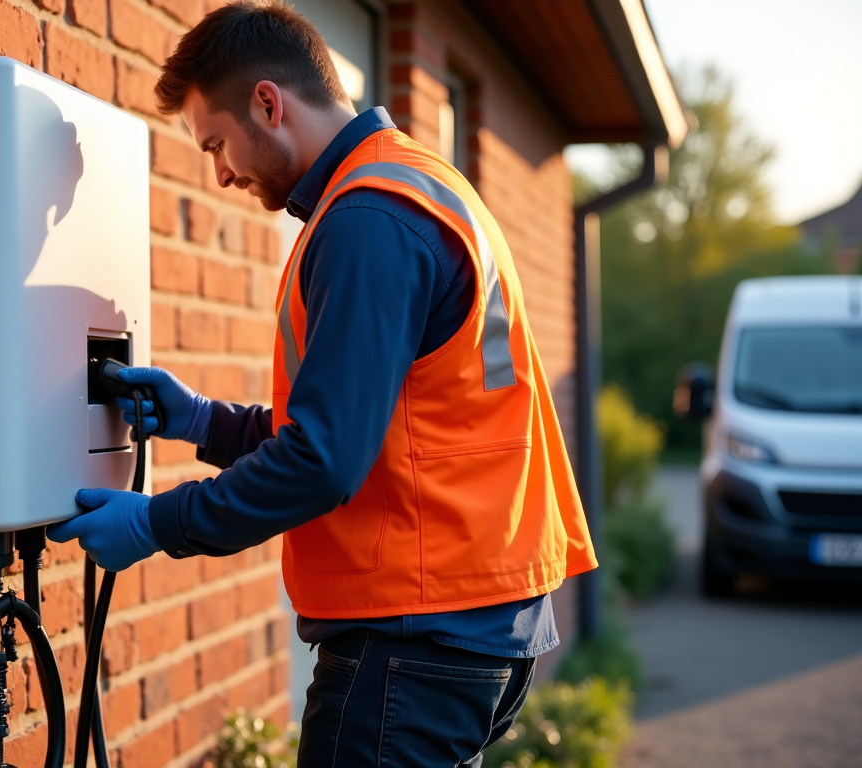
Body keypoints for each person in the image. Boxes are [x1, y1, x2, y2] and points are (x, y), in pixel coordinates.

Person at [47, 2, 599, 764]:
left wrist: (154, 525)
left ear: (268, 104)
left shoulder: (368, 220)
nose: (220, 173)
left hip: (414, 641)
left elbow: (323, 461)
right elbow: (376, 432)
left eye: (216, 143)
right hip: (470, 623)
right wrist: (201, 421)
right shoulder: (415, 184)